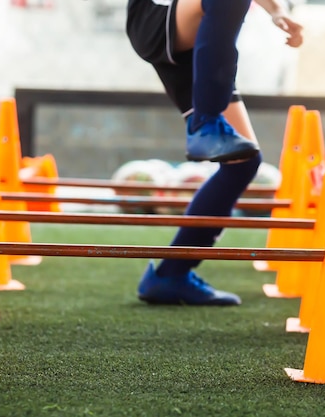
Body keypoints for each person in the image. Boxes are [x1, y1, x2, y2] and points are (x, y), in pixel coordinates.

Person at [126, 0, 303, 306]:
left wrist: (277, 11)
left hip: (196, 31)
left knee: (243, 162)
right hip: (159, 13)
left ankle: (171, 275)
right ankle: (205, 122)